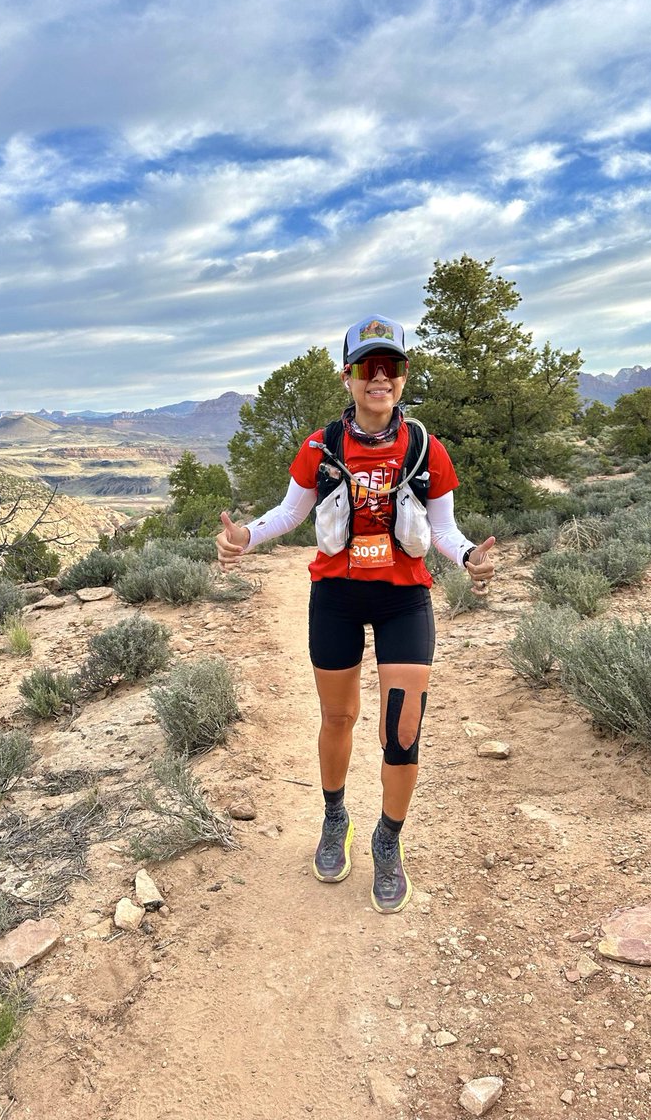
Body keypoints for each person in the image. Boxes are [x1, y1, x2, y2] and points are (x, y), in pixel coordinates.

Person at [216, 315, 495, 914]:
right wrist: (246, 537)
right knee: (338, 717)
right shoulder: (321, 446)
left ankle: (388, 840)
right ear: (348, 377)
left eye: (389, 366)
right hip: (337, 596)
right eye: (368, 367)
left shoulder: (425, 448)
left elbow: (444, 530)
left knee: (402, 727)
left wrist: (469, 556)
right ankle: (335, 816)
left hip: (403, 597)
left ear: (402, 376)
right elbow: (290, 514)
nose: (379, 378)